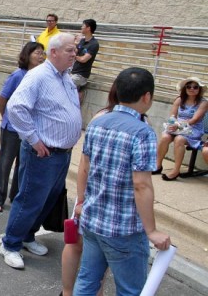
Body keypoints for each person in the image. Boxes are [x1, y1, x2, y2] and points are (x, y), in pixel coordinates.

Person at [74, 67, 171, 295]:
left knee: (87, 281)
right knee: (130, 290)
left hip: (93, 220)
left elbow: (84, 168)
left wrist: (80, 202)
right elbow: (142, 184)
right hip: (124, 229)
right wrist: (152, 231)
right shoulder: (142, 132)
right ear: (147, 96)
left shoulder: (98, 122)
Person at [0, 33, 81, 269]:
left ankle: (27, 236)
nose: (74, 54)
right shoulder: (39, 76)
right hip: (42, 154)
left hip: (61, 153)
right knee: (30, 200)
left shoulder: (66, 78)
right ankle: (10, 244)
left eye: (75, 50)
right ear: (53, 52)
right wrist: (34, 140)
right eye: (69, 50)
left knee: (48, 200)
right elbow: (16, 108)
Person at [61, 82, 120, 296]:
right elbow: (85, 164)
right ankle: (67, 291)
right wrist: (82, 199)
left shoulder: (139, 121)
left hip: (111, 198)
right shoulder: (101, 118)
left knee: (98, 251)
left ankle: (97, 291)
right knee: (76, 243)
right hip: (93, 193)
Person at [0, 42, 45, 213]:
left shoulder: (39, 77)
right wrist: (6, 117)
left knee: (22, 165)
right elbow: (2, 98)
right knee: (5, 163)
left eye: (42, 53)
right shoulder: (17, 75)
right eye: (37, 53)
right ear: (27, 55)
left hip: (28, 130)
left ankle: (15, 196)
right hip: (11, 129)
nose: (40, 56)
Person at [155, 77, 208, 180]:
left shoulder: (203, 103)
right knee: (165, 136)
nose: (192, 89)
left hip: (193, 129)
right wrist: (172, 123)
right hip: (177, 127)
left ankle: (175, 171)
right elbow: (172, 115)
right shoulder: (179, 99)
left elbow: (195, 120)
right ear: (185, 88)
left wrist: (178, 125)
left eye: (195, 87)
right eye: (189, 86)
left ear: (199, 89)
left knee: (179, 139)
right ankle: (158, 165)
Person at [71, 19, 99, 89]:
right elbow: (76, 51)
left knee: (67, 83)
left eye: (83, 26)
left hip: (81, 75)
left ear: (88, 28)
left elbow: (83, 59)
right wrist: (73, 43)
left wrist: (74, 56)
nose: (81, 27)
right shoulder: (82, 41)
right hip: (73, 71)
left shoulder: (94, 44)